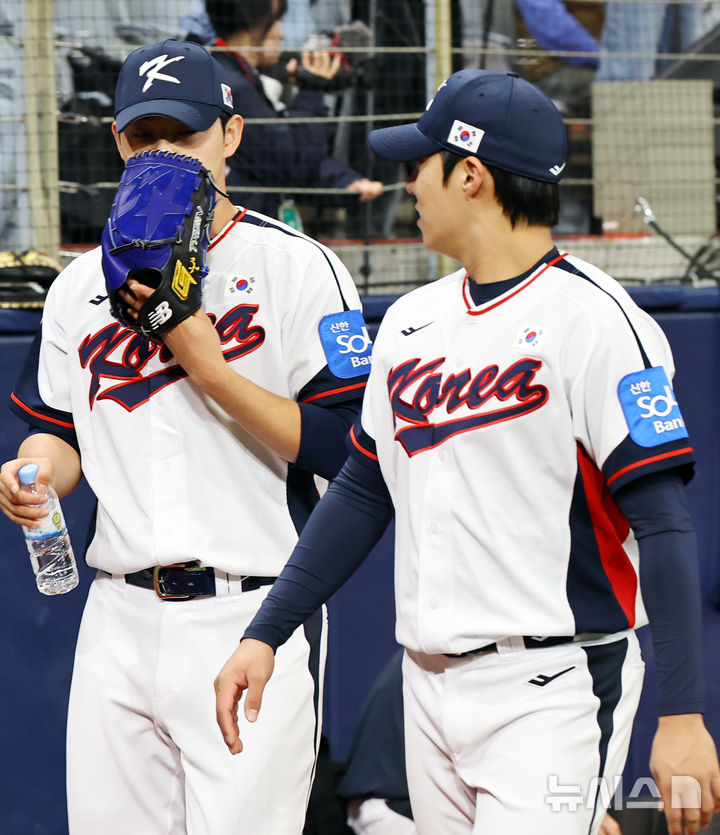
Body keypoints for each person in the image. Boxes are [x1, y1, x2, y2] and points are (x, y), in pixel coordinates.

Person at [213, 68, 720, 835]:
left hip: (553, 682)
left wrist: (681, 711)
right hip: (428, 685)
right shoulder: (414, 320)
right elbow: (359, 490)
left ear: (472, 175)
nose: (408, 181)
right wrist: (266, 630)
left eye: (422, 163)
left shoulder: (597, 322)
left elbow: (665, 522)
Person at [0, 38, 371, 834]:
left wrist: (213, 370)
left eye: (186, 132)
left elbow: (350, 453)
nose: (163, 152)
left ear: (232, 135)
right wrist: (32, 476)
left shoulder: (298, 268)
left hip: (250, 608)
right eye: (144, 135)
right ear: (117, 143)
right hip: (117, 616)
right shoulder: (74, 288)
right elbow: (56, 430)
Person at [205, 0, 382, 220]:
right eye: (276, 22)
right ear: (254, 24)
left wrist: (343, 181)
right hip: (238, 227)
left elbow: (278, 153)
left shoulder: (227, 73)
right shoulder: (234, 86)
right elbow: (288, 162)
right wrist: (312, 89)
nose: (282, 35)